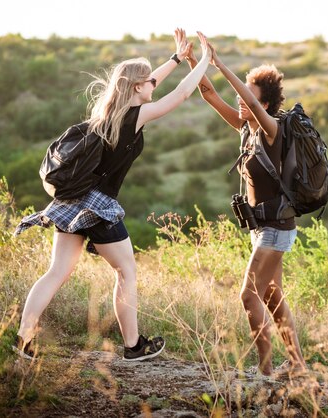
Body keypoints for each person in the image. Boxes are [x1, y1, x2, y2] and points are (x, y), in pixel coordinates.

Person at [13, 29, 212, 362]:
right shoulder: (136, 116)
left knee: (56, 272)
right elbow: (180, 93)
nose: (153, 84)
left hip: (72, 202)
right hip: (99, 206)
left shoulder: (106, 116)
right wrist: (206, 59)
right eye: (148, 82)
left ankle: (23, 339)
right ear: (136, 88)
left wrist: (177, 58)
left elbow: (153, 84)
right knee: (126, 272)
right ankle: (134, 346)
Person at [186, 41, 306, 377]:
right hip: (263, 229)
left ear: (264, 103)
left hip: (276, 230)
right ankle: (297, 366)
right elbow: (209, 94)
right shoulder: (246, 130)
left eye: (248, 96)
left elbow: (248, 99)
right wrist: (194, 60)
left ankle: (265, 371)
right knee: (270, 296)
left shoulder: (272, 130)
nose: (240, 100)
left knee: (248, 296)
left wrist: (220, 62)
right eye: (241, 96)